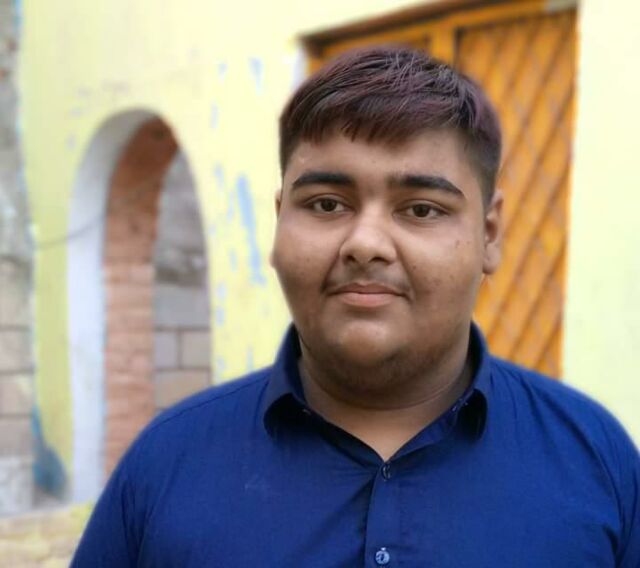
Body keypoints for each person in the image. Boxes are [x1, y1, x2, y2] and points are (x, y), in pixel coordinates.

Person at [72, 46, 640, 567]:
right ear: (278, 222)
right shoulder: (166, 465)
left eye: (420, 209)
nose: (365, 244)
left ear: (489, 234)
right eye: (326, 204)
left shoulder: (596, 462)